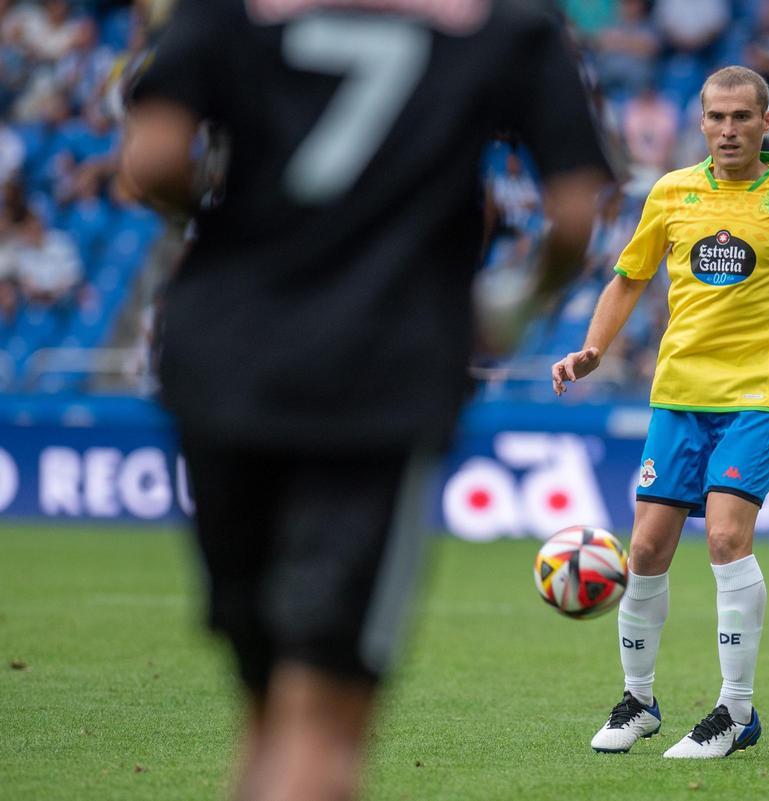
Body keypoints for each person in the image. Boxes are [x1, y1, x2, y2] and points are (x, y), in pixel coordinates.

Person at [119, 1, 610, 800]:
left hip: (224, 360)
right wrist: (512, 308)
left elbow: (153, 159)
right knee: (323, 718)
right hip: (381, 369)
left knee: (265, 705)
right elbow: (576, 212)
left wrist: (236, 230)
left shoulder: (225, 9)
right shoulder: (509, 28)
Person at [552, 65, 769, 759]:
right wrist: (594, 347)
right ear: (701, 123)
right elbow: (628, 277)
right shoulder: (671, 192)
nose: (728, 129)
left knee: (725, 536)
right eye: (716, 117)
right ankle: (639, 700)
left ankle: (735, 710)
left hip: (757, 394)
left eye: (741, 118)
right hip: (678, 393)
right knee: (649, 548)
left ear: (766, 123)